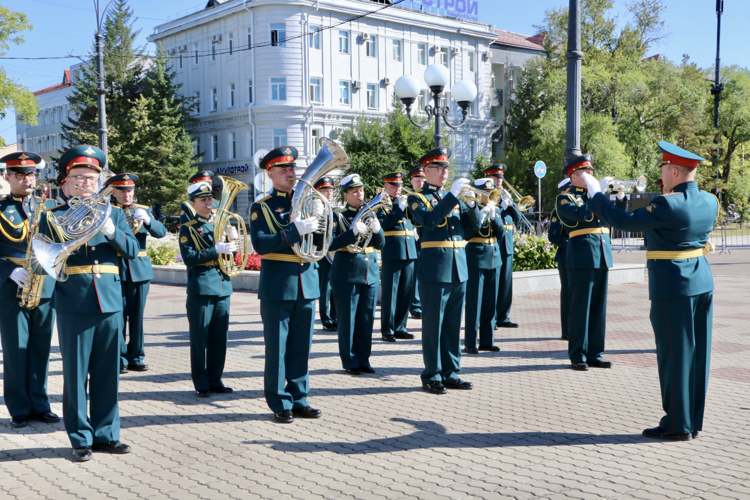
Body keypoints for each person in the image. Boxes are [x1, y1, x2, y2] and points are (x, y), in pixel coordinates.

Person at [584, 141, 718, 441]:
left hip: (673, 285)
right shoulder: (710, 201)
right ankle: (691, 421)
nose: (661, 175)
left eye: (663, 169)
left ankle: (675, 425)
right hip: (702, 282)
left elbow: (622, 222)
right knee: (698, 356)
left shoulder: (667, 204)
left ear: (673, 170)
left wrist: (596, 194)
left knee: (674, 354)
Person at [38, 145, 139, 462]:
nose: (86, 183)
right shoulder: (53, 217)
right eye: (78, 178)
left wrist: (111, 231)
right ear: (65, 184)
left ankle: (107, 434)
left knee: (109, 373)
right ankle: (80, 437)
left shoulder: (116, 214)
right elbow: (44, 258)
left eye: (92, 178)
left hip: (109, 298)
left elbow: (132, 251)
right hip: (74, 300)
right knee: (76, 373)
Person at [249, 146, 323, 423]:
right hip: (279, 285)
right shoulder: (262, 207)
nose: (291, 173)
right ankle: (279, 401)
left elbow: (321, 242)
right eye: (284, 169)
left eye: (293, 169)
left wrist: (320, 223)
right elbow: (261, 245)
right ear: (270, 173)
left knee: (301, 347)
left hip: (306, 281)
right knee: (277, 348)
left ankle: (299, 398)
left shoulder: (306, 201)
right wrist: (295, 230)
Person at [407, 147, 481, 394]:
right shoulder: (417, 198)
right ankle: (431, 374)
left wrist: (471, 206)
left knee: (452, 324)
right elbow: (428, 221)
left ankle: (450, 372)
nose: (444, 172)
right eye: (439, 168)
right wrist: (451, 196)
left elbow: (473, 230)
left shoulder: (454, 198)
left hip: (458, 267)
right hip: (435, 269)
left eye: (446, 168)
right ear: (426, 170)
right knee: (433, 325)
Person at [0, 152, 59, 429]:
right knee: (16, 350)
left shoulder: (49, 207)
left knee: (40, 348)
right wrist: (7, 270)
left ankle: (40, 404)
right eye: (19, 174)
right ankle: (19, 407)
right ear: (7, 177)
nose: (26, 179)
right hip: (11, 286)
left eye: (31, 174)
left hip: (44, 285)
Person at [554, 154, 615, 371]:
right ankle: (578, 354)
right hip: (581, 257)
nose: (592, 176)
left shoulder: (595, 196)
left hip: (602, 255)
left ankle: (595, 353)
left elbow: (612, 217)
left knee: (599, 309)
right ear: (574, 176)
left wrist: (613, 197)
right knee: (581, 308)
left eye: (591, 172)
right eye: (587, 173)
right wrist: (595, 195)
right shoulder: (566, 199)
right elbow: (579, 216)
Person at [179, 182, 235, 398]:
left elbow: (230, 258)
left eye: (210, 199)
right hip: (201, 286)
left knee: (219, 338)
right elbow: (190, 258)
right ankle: (201, 382)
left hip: (223, 285)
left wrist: (233, 243)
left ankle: (215, 379)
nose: (208, 203)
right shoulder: (189, 227)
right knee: (199, 338)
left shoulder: (220, 223)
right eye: (202, 200)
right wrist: (215, 250)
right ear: (192, 204)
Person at [106, 173, 167, 373]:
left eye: (130, 190)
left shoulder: (144, 210)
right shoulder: (108, 211)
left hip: (139, 269)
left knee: (138, 318)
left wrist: (149, 222)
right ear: (114, 192)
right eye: (122, 191)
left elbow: (161, 233)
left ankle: (137, 357)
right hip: (118, 268)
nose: (127, 194)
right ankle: (120, 359)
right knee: (119, 318)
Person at [329, 174, 384, 374]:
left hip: (369, 272)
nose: (359, 194)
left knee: (366, 319)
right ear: (346, 195)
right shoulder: (338, 215)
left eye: (361, 190)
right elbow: (330, 243)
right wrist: (350, 234)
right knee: (348, 320)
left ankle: (364, 359)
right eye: (354, 191)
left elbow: (381, 244)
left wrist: (378, 231)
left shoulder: (370, 213)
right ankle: (350, 361)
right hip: (347, 272)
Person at [463, 178, 511, 354]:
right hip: (475, 257)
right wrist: (481, 216)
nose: (489, 196)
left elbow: (502, 234)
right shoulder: (470, 209)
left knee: (491, 302)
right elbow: (467, 234)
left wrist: (494, 217)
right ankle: (470, 342)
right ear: (478, 193)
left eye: (491, 193)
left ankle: (487, 341)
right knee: (474, 302)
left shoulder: (495, 209)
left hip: (494, 257)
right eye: (486, 193)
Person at [377, 171, 417, 342]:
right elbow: (383, 225)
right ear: (385, 186)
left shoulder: (405, 202)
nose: (397, 189)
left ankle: (400, 327)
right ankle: (387, 329)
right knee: (390, 293)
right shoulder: (380, 204)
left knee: (405, 292)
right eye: (393, 185)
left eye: (399, 185)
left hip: (409, 250)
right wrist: (399, 211)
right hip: (393, 252)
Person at [484, 164, 520, 329]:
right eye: (496, 177)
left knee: (506, 283)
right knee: (494, 284)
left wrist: (511, 205)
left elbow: (518, 218)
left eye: (501, 178)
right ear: (488, 178)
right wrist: (499, 207)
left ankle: (503, 316)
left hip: (507, 245)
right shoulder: (487, 195)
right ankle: (489, 318)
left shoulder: (505, 195)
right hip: (495, 243)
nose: (499, 180)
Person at [548, 178, 571, 341]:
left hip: (579, 256)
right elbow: (553, 236)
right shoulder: (558, 212)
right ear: (563, 192)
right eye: (569, 190)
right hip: (566, 256)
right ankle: (567, 330)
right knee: (568, 293)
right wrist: (570, 245)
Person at [314, 176, 337, 332]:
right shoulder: (314, 208)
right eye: (325, 191)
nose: (328, 193)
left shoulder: (333, 210)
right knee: (325, 288)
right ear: (318, 192)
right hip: (322, 253)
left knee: (335, 287)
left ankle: (335, 316)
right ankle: (326, 319)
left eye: (330, 191)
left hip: (335, 254)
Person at [407, 166, 426, 319]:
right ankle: (415, 305)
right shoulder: (410, 198)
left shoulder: (428, 197)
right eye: (417, 180)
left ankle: (422, 303)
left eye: (423, 180)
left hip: (426, 239)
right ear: (411, 182)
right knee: (415, 273)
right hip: (413, 240)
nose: (421, 183)